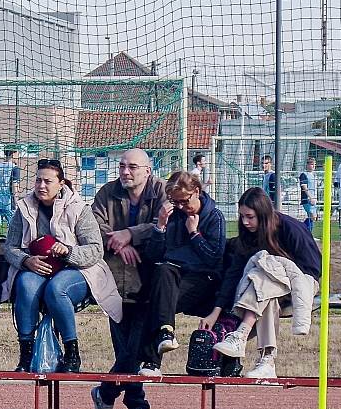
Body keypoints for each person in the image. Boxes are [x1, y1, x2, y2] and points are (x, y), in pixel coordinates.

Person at [3, 158, 122, 374]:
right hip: (37, 268)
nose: (41, 186)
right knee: (25, 284)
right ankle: (26, 354)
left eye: (48, 181)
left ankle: (71, 353)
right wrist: (26, 260)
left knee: (57, 288)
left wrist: (68, 251)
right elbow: (10, 247)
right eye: (38, 180)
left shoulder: (79, 209)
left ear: (61, 184)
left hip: (78, 270)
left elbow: (96, 249)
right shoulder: (24, 208)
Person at [204, 188, 322, 378]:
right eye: (242, 216)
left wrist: (279, 270)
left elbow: (312, 269)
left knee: (264, 270)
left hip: (302, 282)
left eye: (250, 217)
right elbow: (235, 272)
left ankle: (241, 334)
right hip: (266, 290)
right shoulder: (248, 234)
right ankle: (267, 361)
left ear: (263, 213)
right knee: (267, 292)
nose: (245, 222)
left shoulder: (290, 228)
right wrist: (215, 311)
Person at [89, 148, 164, 409]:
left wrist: (130, 234)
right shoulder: (107, 192)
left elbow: (163, 225)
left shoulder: (161, 191)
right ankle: (135, 405)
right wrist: (120, 244)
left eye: (132, 166)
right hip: (114, 280)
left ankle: (107, 393)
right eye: (122, 166)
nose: (125, 171)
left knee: (135, 345)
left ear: (147, 171)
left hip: (148, 281)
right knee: (124, 348)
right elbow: (93, 226)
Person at [137, 170, 224, 378]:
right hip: (172, 274)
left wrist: (194, 234)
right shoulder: (172, 216)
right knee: (163, 270)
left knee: (158, 301)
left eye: (184, 201)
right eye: (175, 202)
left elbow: (214, 258)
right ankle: (166, 332)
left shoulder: (214, 217)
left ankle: (151, 361)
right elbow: (152, 256)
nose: (181, 207)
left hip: (203, 277)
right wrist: (160, 227)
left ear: (197, 192)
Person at [0, 148, 22, 238]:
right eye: (18, 154)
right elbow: (14, 186)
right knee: (14, 227)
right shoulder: (14, 168)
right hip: (9, 202)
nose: (18, 157)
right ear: (13, 154)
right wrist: (16, 202)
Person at [299, 157, 317, 234]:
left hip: (313, 199)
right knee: (313, 216)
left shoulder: (313, 175)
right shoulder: (304, 175)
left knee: (312, 217)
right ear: (307, 165)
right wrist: (310, 197)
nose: (313, 166)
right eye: (312, 164)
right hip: (307, 199)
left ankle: (308, 234)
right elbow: (304, 187)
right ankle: (303, 230)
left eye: (314, 164)